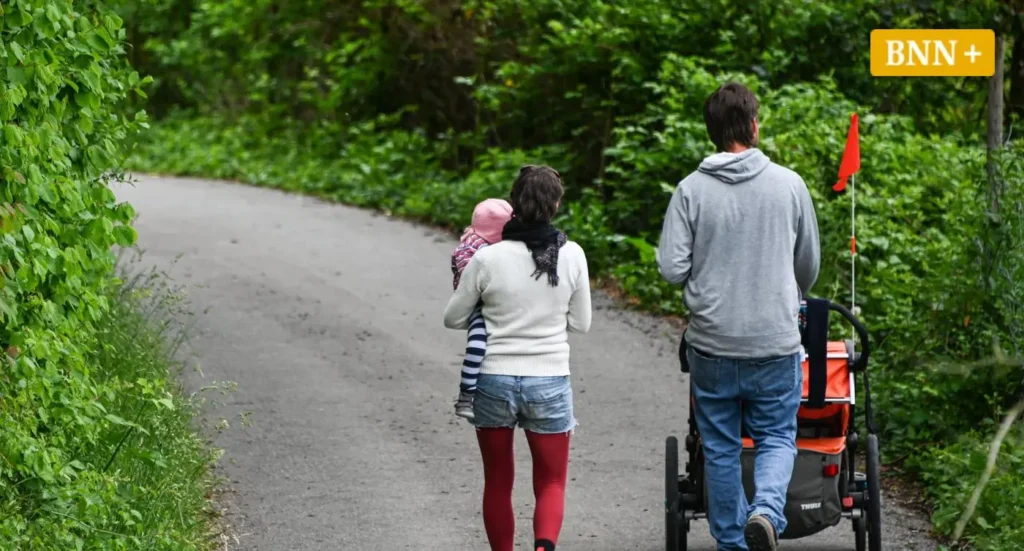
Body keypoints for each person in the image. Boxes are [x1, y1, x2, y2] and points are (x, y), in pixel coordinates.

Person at [656, 82, 820, 551]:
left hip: (713, 342)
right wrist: (789, 293)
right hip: (774, 340)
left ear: (712, 131)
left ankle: (733, 543)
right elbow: (808, 264)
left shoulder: (690, 190)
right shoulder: (790, 185)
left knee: (721, 446)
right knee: (777, 437)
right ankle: (766, 511)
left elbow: (671, 268)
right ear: (753, 125)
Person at [443, 165, 592, 551]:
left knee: (497, 481)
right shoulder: (572, 254)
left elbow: (453, 318)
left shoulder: (488, 259)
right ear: (555, 205)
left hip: (493, 380)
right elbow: (582, 323)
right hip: (550, 380)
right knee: (552, 482)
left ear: (514, 204)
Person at [450, 198, 515, 419]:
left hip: (500, 301)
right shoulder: (470, 248)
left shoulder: (501, 246)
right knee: (477, 345)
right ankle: (466, 394)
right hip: (479, 304)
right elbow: (470, 280)